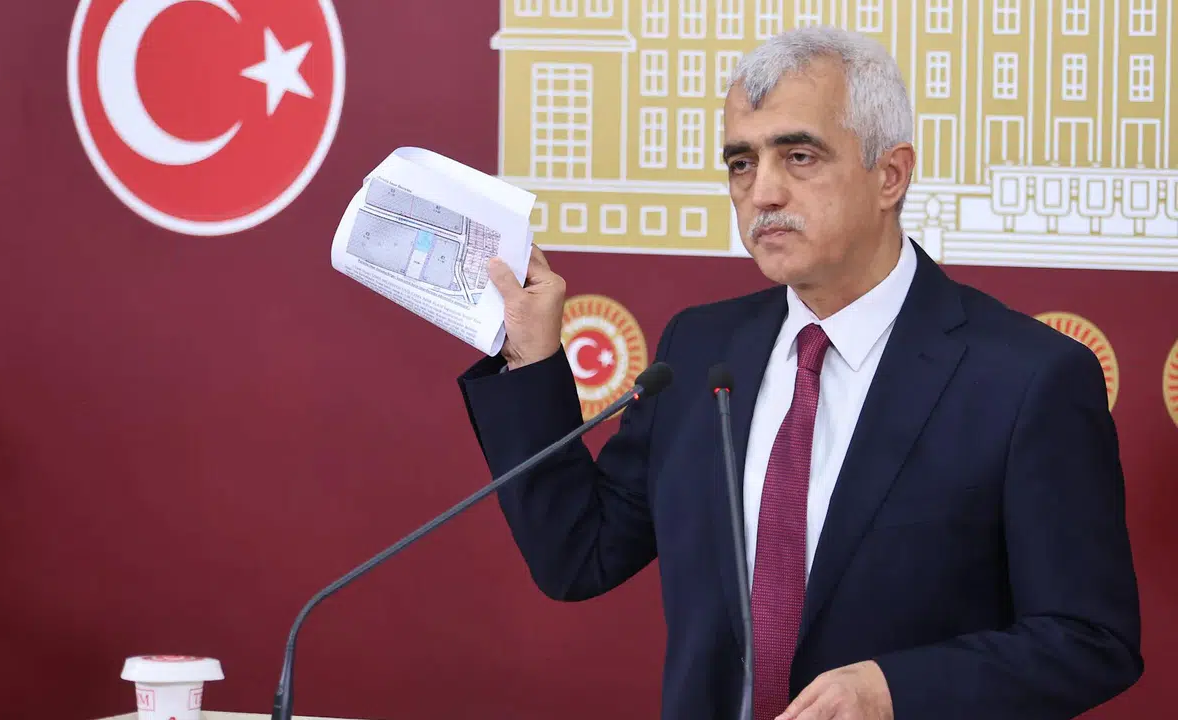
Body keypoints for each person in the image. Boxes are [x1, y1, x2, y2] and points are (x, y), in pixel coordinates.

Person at [455, 26, 1142, 720]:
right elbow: (580, 556)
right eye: (741, 162)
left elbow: (1089, 639)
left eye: (799, 156)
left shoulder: (1028, 378)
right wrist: (532, 358)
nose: (763, 192)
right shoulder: (699, 348)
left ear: (891, 175)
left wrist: (893, 691)